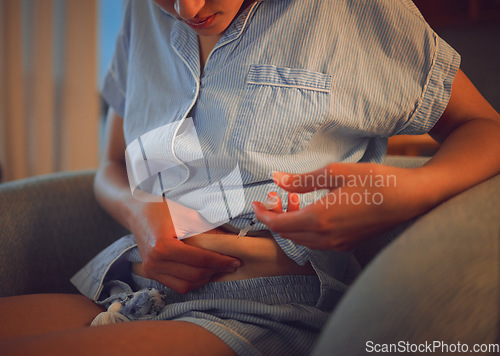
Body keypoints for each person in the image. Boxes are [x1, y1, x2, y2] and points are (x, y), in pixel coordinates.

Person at [1, 0, 499, 355]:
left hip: (262, 312)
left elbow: (486, 127)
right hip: (130, 287)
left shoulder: (357, 11)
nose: (188, 9)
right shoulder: (141, 16)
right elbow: (112, 164)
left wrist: (411, 191)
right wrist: (142, 214)